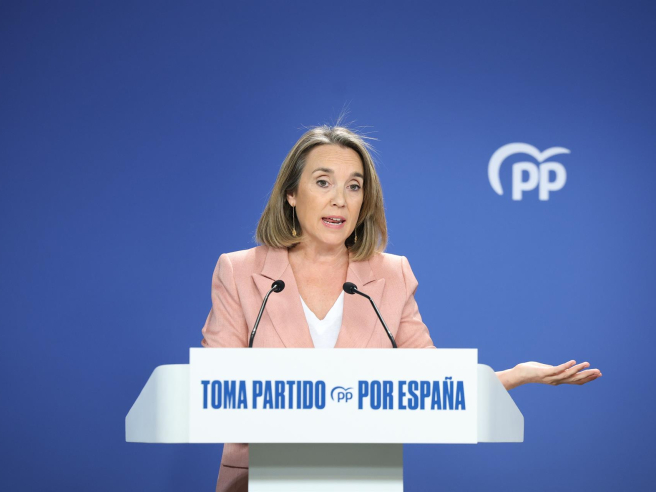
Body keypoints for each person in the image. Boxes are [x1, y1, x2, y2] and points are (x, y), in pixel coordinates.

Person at [201, 125, 602, 492]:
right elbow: (214, 388)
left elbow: (433, 383)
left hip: (360, 479)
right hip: (260, 478)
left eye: (354, 186)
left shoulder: (391, 275)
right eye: (323, 182)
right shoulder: (240, 271)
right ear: (291, 193)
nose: (339, 199)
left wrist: (516, 375)